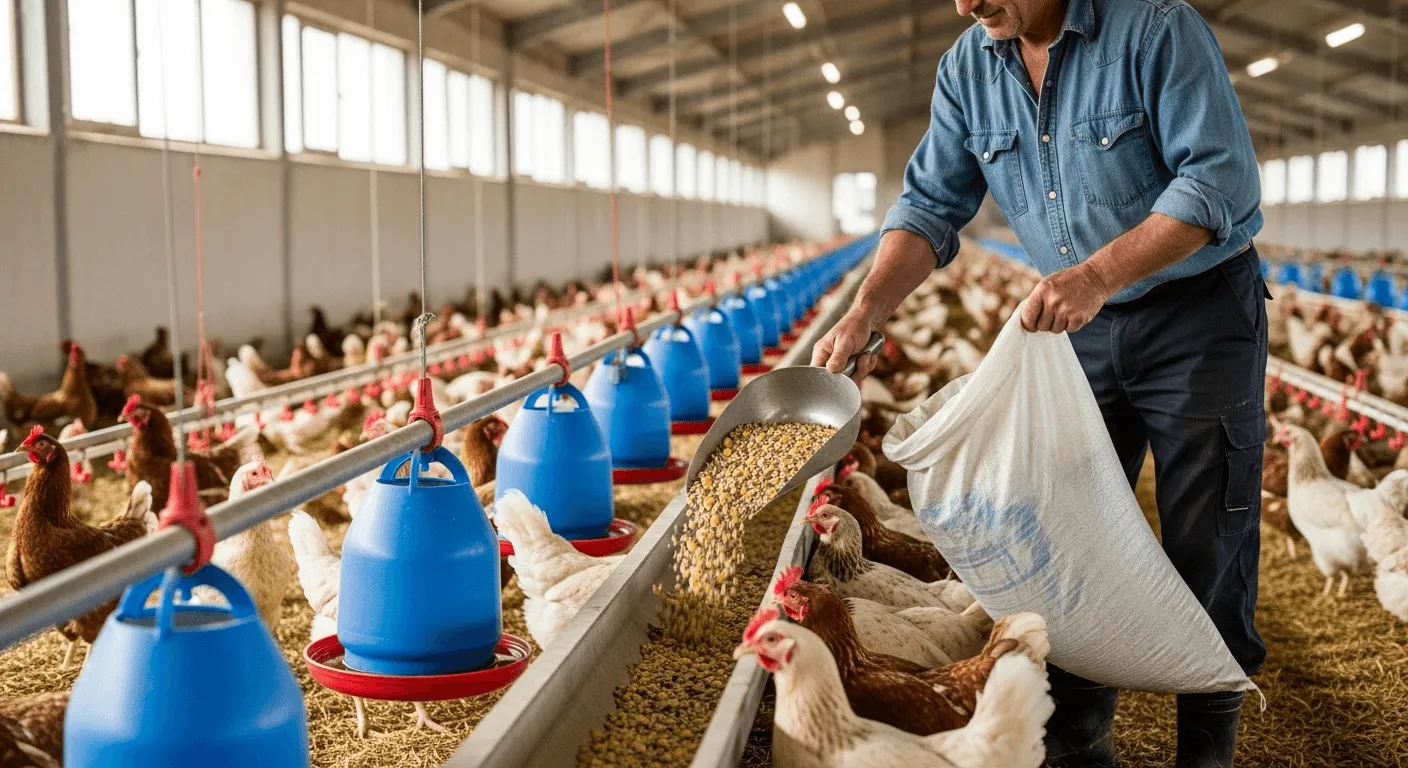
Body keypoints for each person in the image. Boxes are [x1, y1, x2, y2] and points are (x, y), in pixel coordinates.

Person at [812, 1, 1266, 766]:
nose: (966, 5)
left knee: (1206, 532)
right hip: (1076, 325)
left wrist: (1097, 274)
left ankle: (1206, 748)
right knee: (1062, 529)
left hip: (1196, 316)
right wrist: (866, 312)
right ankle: (1079, 741)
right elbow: (929, 206)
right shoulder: (969, 65)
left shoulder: (1155, 30)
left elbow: (1218, 182)